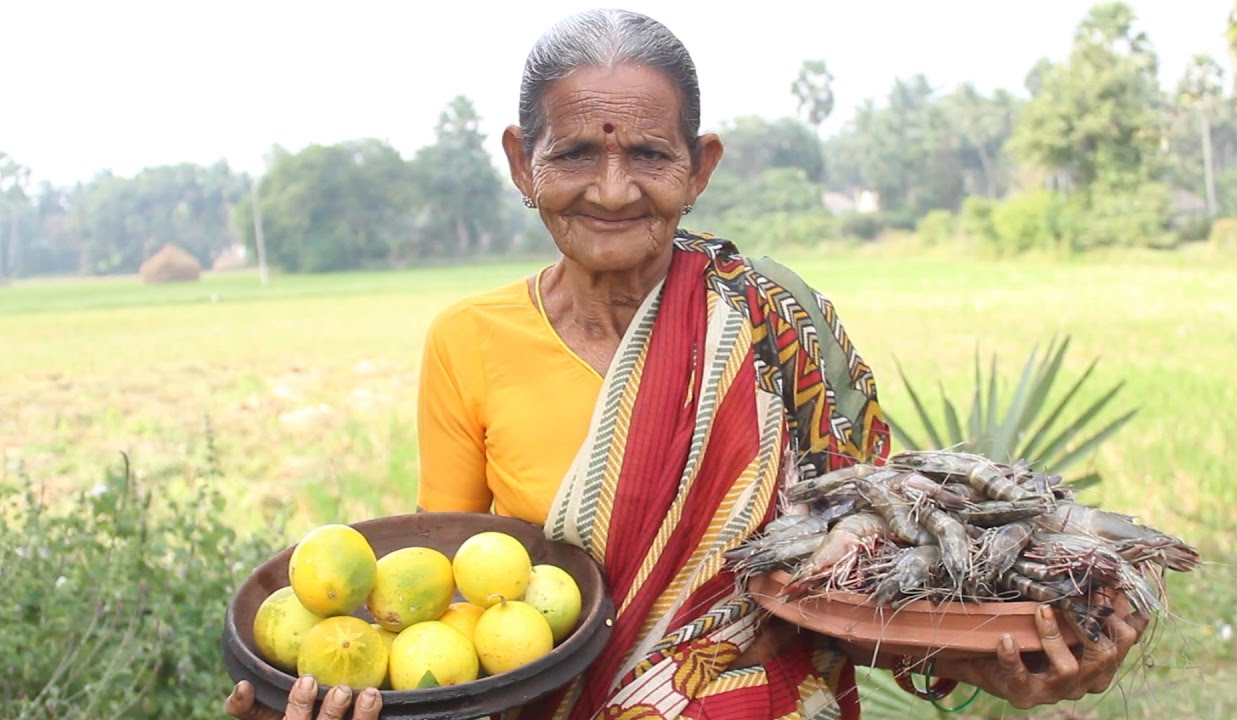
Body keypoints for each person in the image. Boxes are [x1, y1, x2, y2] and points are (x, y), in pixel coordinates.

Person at [227, 9, 1145, 720]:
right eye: (576, 153)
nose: (614, 190)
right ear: (521, 162)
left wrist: (1006, 664)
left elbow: (870, 581)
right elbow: (448, 611)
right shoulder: (466, 342)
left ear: (700, 166)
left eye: (651, 156)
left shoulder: (778, 324)